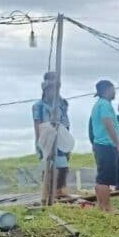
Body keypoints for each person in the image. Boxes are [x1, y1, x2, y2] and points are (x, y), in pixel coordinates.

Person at [32, 71, 71, 200]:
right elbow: (37, 123)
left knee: (63, 165)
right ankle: (47, 192)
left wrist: (67, 137)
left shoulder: (62, 103)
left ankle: (60, 190)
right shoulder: (38, 106)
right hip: (47, 136)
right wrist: (40, 142)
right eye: (51, 88)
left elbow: (65, 121)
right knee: (48, 165)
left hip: (61, 136)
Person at [89, 80, 119, 213]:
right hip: (106, 145)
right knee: (105, 178)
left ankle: (101, 205)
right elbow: (108, 123)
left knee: (101, 176)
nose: (115, 91)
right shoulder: (104, 104)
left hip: (101, 144)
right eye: (113, 89)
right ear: (107, 90)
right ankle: (107, 207)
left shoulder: (99, 104)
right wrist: (118, 144)